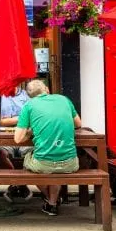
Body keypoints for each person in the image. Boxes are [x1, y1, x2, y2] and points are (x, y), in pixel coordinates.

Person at [13, 80, 80, 217]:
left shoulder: (29, 105)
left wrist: (32, 131)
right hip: (70, 163)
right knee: (55, 165)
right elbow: (78, 123)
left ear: (29, 96)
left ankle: (50, 199)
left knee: (28, 162)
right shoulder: (64, 100)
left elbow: (17, 139)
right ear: (47, 89)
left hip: (43, 164)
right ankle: (52, 203)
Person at [0, 81, 33, 201]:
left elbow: (33, 118)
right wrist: (21, 118)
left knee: (34, 151)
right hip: (3, 139)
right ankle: (19, 183)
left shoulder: (26, 96)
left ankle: (15, 184)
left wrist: (4, 120)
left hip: (25, 138)